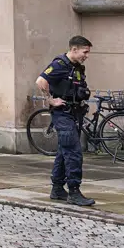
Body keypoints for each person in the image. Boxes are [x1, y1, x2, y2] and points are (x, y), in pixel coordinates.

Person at [35, 35, 95, 206]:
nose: (87, 56)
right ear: (74, 49)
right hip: (63, 114)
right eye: (85, 52)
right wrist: (50, 100)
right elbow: (40, 82)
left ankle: (57, 189)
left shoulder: (75, 67)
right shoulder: (59, 65)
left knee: (64, 150)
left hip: (74, 112)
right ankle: (74, 191)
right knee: (74, 151)